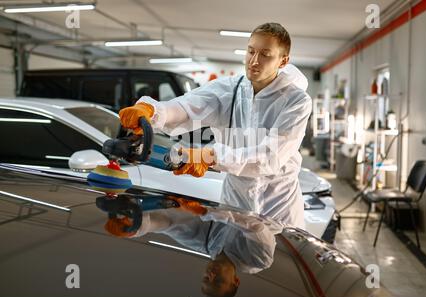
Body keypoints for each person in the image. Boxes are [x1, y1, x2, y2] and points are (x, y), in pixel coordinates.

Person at [119, 22, 312, 229]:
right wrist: (153, 112)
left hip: (279, 208)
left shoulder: (296, 101)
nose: (254, 61)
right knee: (230, 256)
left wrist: (209, 156)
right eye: (250, 51)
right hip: (236, 204)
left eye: (265, 54)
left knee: (279, 260)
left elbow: (269, 157)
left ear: (283, 61)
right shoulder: (231, 89)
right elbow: (189, 106)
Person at [100, 193, 281, 297]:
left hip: (237, 184)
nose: (211, 274)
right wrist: (205, 212)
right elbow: (255, 226)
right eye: (218, 281)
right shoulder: (258, 261)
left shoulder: (206, 244)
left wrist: (135, 228)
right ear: (236, 281)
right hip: (272, 197)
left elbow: (167, 223)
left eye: (206, 278)